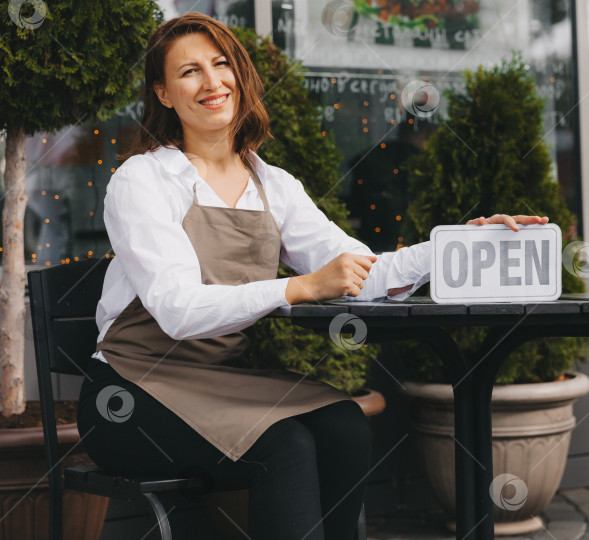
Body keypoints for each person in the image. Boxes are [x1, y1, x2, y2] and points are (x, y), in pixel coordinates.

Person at [76, 11, 549, 540]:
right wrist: (298, 286)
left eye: (220, 64)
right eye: (189, 72)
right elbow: (178, 309)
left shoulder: (272, 184)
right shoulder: (143, 180)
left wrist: (454, 246)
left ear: (240, 74)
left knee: (345, 427)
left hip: (219, 382)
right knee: (288, 445)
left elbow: (358, 272)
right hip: (128, 394)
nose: (211, 82)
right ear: (163, 94)